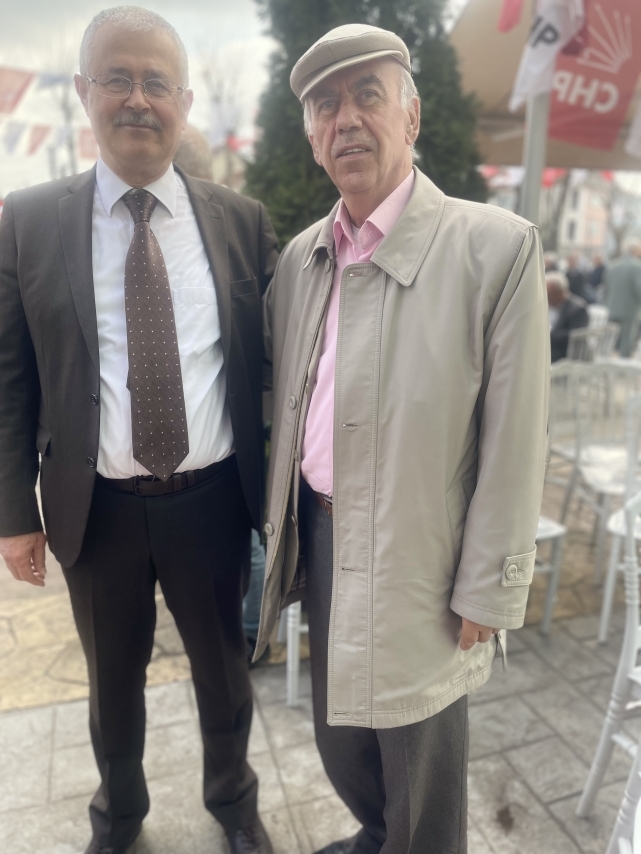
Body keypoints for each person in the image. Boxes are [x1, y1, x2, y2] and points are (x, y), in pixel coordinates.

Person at [256, 23, 549, 854]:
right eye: (325, 105)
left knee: (419, 763)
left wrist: (489, 585)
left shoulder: (495, 249)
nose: (345, 118)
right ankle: (375, 838)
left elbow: (516, 437)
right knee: (341, 735)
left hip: (425, 544)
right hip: (320, 533)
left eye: (367, 96)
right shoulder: (299, 260)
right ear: (312, 137)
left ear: (411, 116)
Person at [0, 7, 278, 854]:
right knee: (110, 685)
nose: (137, 98)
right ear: (82, 91)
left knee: (224, 674)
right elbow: (10, 381)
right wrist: (13, 513)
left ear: (184, 102)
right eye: (117, 78)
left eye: (157, 82)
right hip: (97, 510)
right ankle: (118, 819)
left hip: (213, 502)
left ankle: (234, 805)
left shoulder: (240, 220)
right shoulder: (27, 221)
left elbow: (276, 366)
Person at [172, 125, 270, 665]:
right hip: (175, 473)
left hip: (236, 451)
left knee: (250, 546)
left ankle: (250, 634)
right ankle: (245, 634)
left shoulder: (241, 222)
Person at [603, 238, 641, 358]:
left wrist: (606, 304)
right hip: (629, 309)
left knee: (610, 339)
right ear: (634, 250)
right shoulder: (637, 267)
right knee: (627, 339)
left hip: (612, 307)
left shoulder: (612, 265)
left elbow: (606, 288)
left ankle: (606, 360)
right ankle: (624, 363)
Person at [547, 271, 589, 362]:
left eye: (549, 296)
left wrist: (548, 335)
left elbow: (576, 335)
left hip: (562, 354)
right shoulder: (548, 306)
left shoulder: (578, 309)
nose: (547, 299)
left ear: (560, 292)